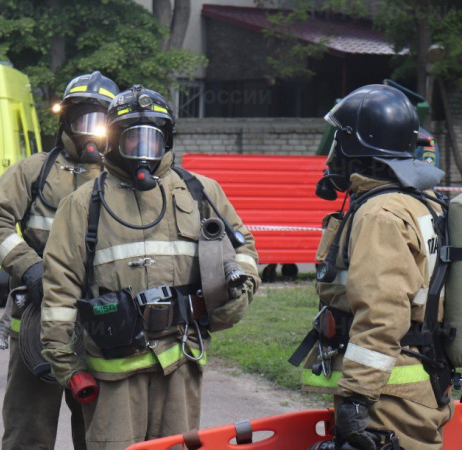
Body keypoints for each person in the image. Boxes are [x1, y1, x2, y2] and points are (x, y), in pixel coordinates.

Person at [40, 85, 259, 449]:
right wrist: (67, 365)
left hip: (180, 361)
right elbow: (60, 288)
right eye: (132, 140)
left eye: (152, 140)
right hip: (113, 371)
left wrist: (240, 288)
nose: (143, 151)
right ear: (113, 141)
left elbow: (244, 248)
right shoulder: (82, 205)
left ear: (167, 139)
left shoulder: (199, 192)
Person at [294, 84, 455, 449]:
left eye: (340, 140)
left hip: (388, 393)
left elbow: (382, 314)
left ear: (357, 148)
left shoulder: (379, 215)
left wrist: (356, 398)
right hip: (419, 380)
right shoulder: (420, 203)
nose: (333, 153)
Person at [0, 71, 119, 450]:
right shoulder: (34, 170)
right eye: (82, 119)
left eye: (100, 121)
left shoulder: (121, 178)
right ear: (65, 121)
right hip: (38, 315)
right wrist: (29, 267)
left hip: (101, 320)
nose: (91, 131)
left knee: (98, 429)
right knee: (28, 427)